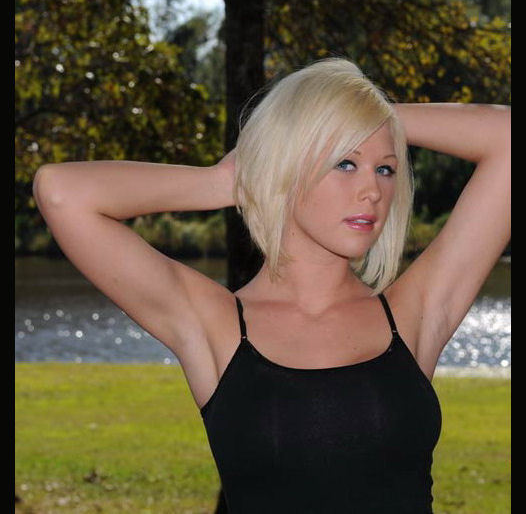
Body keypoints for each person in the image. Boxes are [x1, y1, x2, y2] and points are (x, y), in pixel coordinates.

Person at [33, 57, 510, 513]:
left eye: (385, 168)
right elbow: (61, 193)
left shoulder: (412, 314)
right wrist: (225, 181)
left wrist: (366, 114)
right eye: (345, 163)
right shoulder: (215, 325)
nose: (373, 191)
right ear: (287, 163)